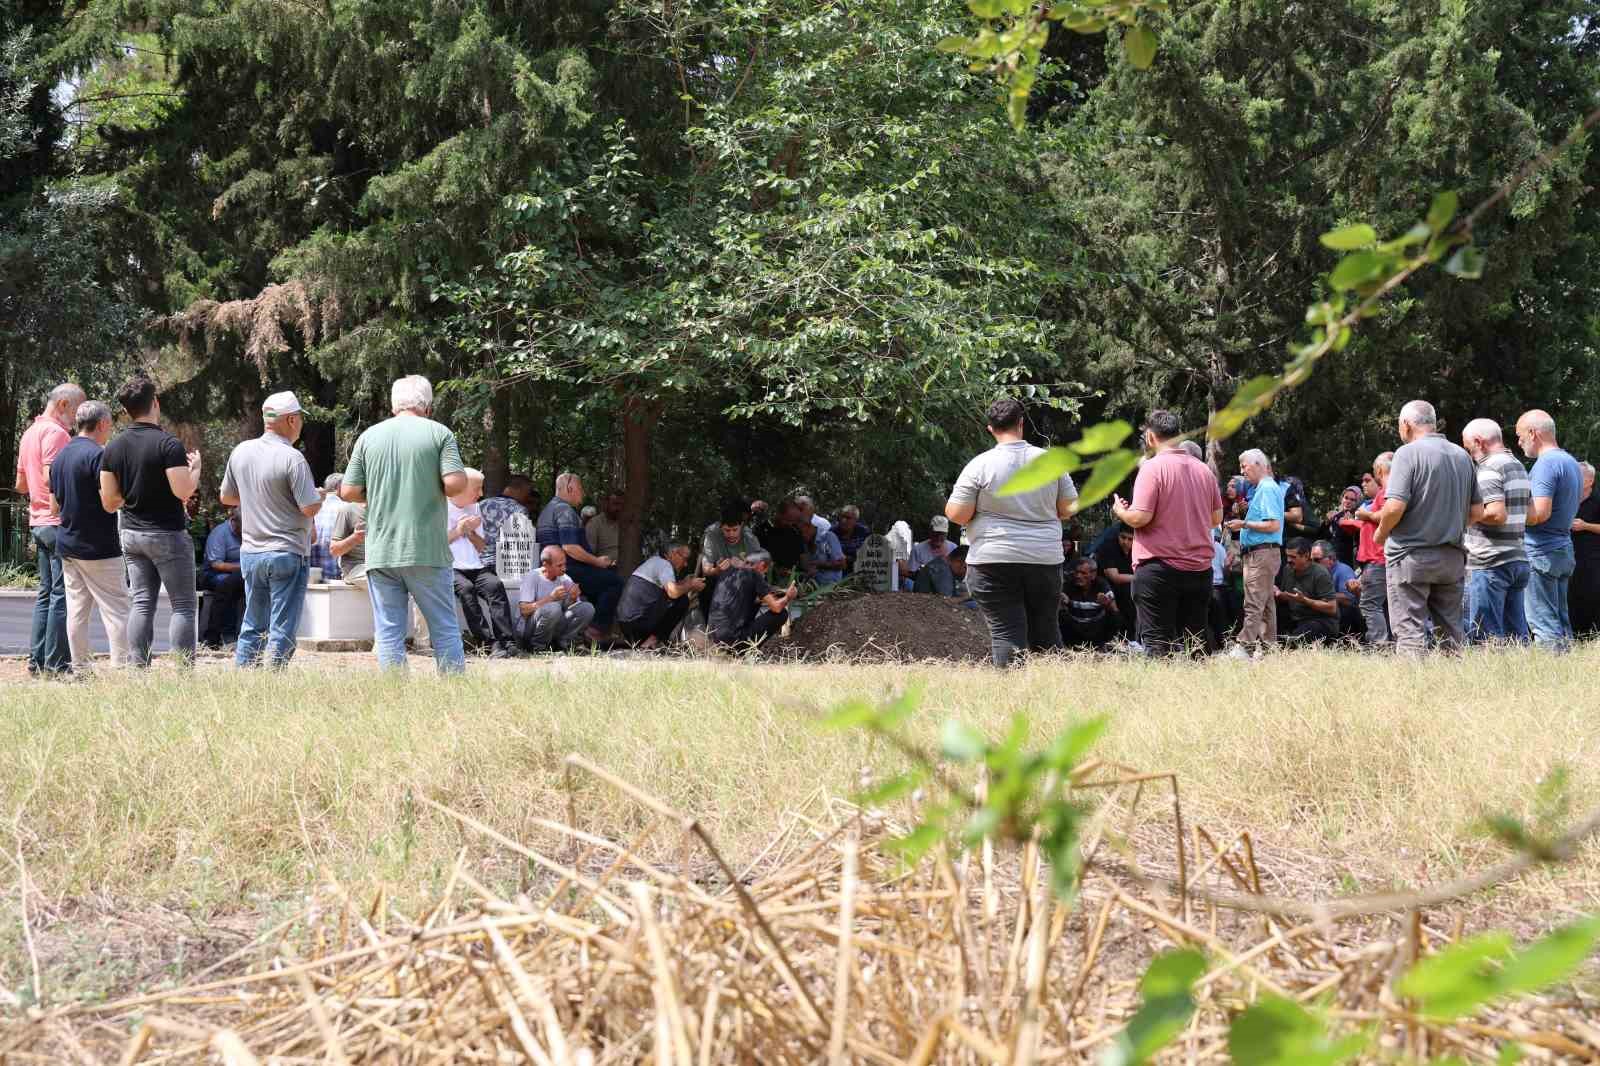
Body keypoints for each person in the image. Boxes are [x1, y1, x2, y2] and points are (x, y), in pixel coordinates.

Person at [339, 374, 468, 673]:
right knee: (444, 627)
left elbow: (348, 491)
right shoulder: (440, 434)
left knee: (388, 630)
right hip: (426, 549)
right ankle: (454, 687)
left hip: (381, 549)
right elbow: (454, 485)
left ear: (393, 404)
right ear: (427, 405)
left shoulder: (369, 436)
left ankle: (395, 691)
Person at [945, 397, 1077, 667]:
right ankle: (1057, 694)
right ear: (1021, 424)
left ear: (990, 429)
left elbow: (957, 514)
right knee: (1046, 632)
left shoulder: (979, 465)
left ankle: (1011, 695)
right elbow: (1069, 508)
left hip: (993, 560)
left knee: (1007, 633)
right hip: (1043, 560)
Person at [100, 376, 202, 668]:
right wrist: (195, 470)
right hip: (167, 533)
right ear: (155, 403)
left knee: (142, 603)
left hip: (131, 533)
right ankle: (183, 672)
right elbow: (183, 491)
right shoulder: (168, 445)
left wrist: (135, 494)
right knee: (182, 605)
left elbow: (109, 502)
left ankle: (137, 668)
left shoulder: (113, 447)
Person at [219, 391, 322, 668]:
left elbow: (227, 497)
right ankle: (274, 678)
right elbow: (310, 508)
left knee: (252, 621)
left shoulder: (241, 451)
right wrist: (320, 495)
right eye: (299, 418)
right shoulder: (293, 458)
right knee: (283, 624)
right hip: (287, 552)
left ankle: (245, 672)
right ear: (291, 420)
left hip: (251, 552)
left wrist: (257, 495)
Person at [1374, 400, 1481, 656]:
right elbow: (1477, 512)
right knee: (1452, 632)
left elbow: (1394, 507)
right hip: (1452, 557)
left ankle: (1413, 694)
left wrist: (1381, 534)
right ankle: (1453, 688)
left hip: (1410, 556)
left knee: (1410, 631)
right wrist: (1447, 523)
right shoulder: (1461, 455)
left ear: (1406, 425)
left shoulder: (1407, 454)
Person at [1112, 411, 1224, 657]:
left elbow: (1141, 517)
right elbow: (1216, 519)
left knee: (1157, 641)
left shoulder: (1152, 469)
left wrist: (1121, 511)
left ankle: (1161, 694)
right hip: (1199, 569)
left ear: (1150, 437)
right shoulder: (1204, 470)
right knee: (1196, 641)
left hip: (1159, 567)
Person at [47, 400, 129, 671]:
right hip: (99, 546)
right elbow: (109, 501)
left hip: (68, 545)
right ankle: (122, 668)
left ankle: (80, 668)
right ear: (103, 424)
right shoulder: (99, 456)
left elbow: (53, 506)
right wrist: (125, 498)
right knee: (116, 610)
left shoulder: (60, 457)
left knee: (77, 610)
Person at [15, 382, 84, 676]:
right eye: (77, 410)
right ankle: (57, 665)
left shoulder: (29, 433)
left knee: (46, 594)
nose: (78, 419)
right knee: (62, 595)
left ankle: (37, 661)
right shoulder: (56, 433)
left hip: (37, 522)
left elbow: (21, 485)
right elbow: (52, 477)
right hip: (56, 523)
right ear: (64, 405)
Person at [1515, 409, 1583, 651]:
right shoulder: (1570, 462)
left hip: (1541, 552)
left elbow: (1540, 513)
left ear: (1533, 433)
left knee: (1543, 623)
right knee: (1561, 622)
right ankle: (1568, 675)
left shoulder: (1546, 464)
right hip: (1563, 548)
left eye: (1520, 435)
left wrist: (1508, 513)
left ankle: (1553, 679)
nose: (1519, 442)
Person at [1459, 418, 1530, 642]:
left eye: (1468, 447)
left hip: (1491, 562)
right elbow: (1534, 514)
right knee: (1516, 636)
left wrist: (1459, 519)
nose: (1467, 453)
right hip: (1517, 558)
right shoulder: (1517, 465)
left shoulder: (1489, 467)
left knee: (1486, 637)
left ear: (1479, 442)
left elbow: (1497, 514)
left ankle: (1488, 676)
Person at [536, 472, 621, 641]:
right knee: (614, 582)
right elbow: (570, 547)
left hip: (552, 568)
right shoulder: (565, 510)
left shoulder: (548, 509)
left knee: (601, 583)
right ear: (570, 489)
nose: (583, 493)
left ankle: (586, 631)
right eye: (581, 488)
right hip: (567, 569)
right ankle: (595, 631)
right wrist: (597, 562)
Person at [448, 468, 520, 658]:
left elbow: (481, 547)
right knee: (466, 590)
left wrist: (471, 533)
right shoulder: (441, 507)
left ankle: (507, 640)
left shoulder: (475, 507)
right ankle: (488, 643)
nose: (480, 494)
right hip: (450, 566)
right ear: (462, 488)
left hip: (476, 565)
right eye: (477, 489)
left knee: (495, 585)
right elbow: (433, 543)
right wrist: (459, 530)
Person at [1226, 448, 1284, 655]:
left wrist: (1244, 524)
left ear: (1259, 464)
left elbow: (1273, 525)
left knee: (1253, 602)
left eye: (1244, 466)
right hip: (1262, 553)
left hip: (1261, 554)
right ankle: (1269, 650)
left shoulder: (1267, 488)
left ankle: (1244, 647)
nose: (1242, 471)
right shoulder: (1264, 488)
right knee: (1266, 603)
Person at [617, 543, 705, 648]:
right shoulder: (665, 565)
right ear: (673, 554)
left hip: (627, 624)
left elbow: (663, 591)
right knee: (682, 601)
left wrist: (685, 583)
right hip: (637, 624)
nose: (685, 564)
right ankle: (652, 642)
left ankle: (650, 641)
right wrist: (691, 585)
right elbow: (673, 592)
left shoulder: (654, 562)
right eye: (684, 559)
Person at [706, 550, 796, 648]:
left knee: (754, 603)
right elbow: (776, 607)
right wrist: (788, 597)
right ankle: (748, 650)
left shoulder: (727, 573)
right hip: (733, 641)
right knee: (782, 614)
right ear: (762, 565)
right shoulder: (754, 574)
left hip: (712, 640)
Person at [516, 546, 596, 652]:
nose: (564, 568)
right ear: (546, 565)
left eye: (565, 564)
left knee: (586, 608)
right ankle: (538, 648)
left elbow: (566, 611)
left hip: (552, 627)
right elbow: (524, 611)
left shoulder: (564, 578)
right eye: (559, 565)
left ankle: (567, 643)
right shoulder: (533, 576)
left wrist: (572, 598)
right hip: (529, 630)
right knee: (553, 608)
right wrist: (551, 598)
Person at [1349, 452, 1393, 646]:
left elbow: (1387, 515)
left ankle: (1380, 645)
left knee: (1369, 604)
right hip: (1375, 559)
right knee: (1382, 605)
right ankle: (1387, 643)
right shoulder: (1384, 492)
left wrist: (1365, 514)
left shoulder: (1387, 490)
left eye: (1371, 477)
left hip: (1378, 559)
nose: (1367, 482)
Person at [1274, 539, 1339, 644]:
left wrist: (1305, 600)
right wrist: (1278, 593)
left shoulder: (1320, 573)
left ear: (1306, 556)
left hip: (1320, 621)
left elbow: (1331, 608)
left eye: (1293, 557)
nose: (1289, 560)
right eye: (1287, 556)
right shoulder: (1288, 569)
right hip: (1296, 618)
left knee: (1296, 640)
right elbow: (1290, 597)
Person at [200, 510, 246, 647]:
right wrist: (244, 567)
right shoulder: (220, 533)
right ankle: (224, 634)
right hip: (213, 573)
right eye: (242, 528)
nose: (244, 532)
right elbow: (216, 564)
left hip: (240, 574)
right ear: (234, 521)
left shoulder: (249, 532)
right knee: (229, 584)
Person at [477, 473, 536, 575]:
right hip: (501, 566)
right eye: (527, 492)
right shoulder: (519, 510)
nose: (527, 497)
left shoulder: (482, 504)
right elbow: (519, 544)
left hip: (477, 563)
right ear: (521, 490)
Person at [1060, 556, 1118, 649]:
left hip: (1096, 629)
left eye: (1083, 573)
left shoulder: (1102, 585)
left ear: (1093, 574)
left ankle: (1104, 645)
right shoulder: (1069, 584)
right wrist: (1065, 602)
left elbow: (1114, 610)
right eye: (1077, 572)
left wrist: (1106, 604)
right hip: (1075, 630)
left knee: (1115, 617)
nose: (1078, 576)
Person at [1569, 462, 1599, 637]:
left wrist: (1585, 526)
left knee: (1590, 594)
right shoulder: (1568, 499)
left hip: (1591, 558)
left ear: (1589, 480)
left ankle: (1592, 636)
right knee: (1571, 596)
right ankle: (1573, 634)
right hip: (1568, 555)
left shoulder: (1597, 501)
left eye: (1578, 475)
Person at [1310, 539, 1360, 638]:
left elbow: (1349, 599)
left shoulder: (1343, 570)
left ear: (1332, 558)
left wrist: (1321, 596)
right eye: (1310, 560)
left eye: (1316, 560)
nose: (1312, 563)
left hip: (1343, 619)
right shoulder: (1313, 572)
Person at [1094, 524, 1136, 633]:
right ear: (1118, 535)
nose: (1125, 542)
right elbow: (1114, 577)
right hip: (1107, 586)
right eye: (1123, 537)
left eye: (1130, 539)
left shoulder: (1138, 549)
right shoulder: (1108, 547)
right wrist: (1141, 578)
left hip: (1129, 584)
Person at [309, 473, 343, 578]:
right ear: (339, 487)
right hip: (338, 577)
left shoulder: (311, 508)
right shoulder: (346, 508)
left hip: (312, 576)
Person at [905, 516, 955, 586]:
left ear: (947, 533)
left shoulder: (954, 548)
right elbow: (910, 574)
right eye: (936, 533)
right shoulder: (918, 550)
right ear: (930, 531)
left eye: (942, 533)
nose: (938, 536)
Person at [329, 501, 368, 583]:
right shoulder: (348, 510)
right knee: (380, 578)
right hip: (357, 569)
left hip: (382, 567)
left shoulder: (389, 509)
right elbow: (334, 550)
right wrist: (355, 538)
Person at [801, 517, 846, 586]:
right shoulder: (806, 543)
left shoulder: (828, 537)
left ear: (810, 527)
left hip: (831, 587)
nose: (802, 535)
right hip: (813, 587)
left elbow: (842, 564)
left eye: (802, 532)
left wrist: (819, 565)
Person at [1327, 486, 1363, 565]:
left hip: (1350, 561)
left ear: (1358, 501)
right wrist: (1327, 522)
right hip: (1331, 559)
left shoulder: (1361, 517)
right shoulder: (1335, 515)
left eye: (1352, 500)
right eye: (1346, 498)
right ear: (1341, 499)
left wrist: (1350, 523)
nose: (1348, 501)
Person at [585, 491, 623, 564]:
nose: (619, 508)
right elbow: (589, 553)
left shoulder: (626, 523)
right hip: (606, 568)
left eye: (621, 505)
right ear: (606, 504)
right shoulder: (594, 524)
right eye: (615, 504)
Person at [833, 505, 869, 572]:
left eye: (848, 518)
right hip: (837, 571)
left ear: (855, 520)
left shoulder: (864, 532)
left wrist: (848, 559)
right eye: (842, 517)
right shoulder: (832, 532)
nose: (843, 520)